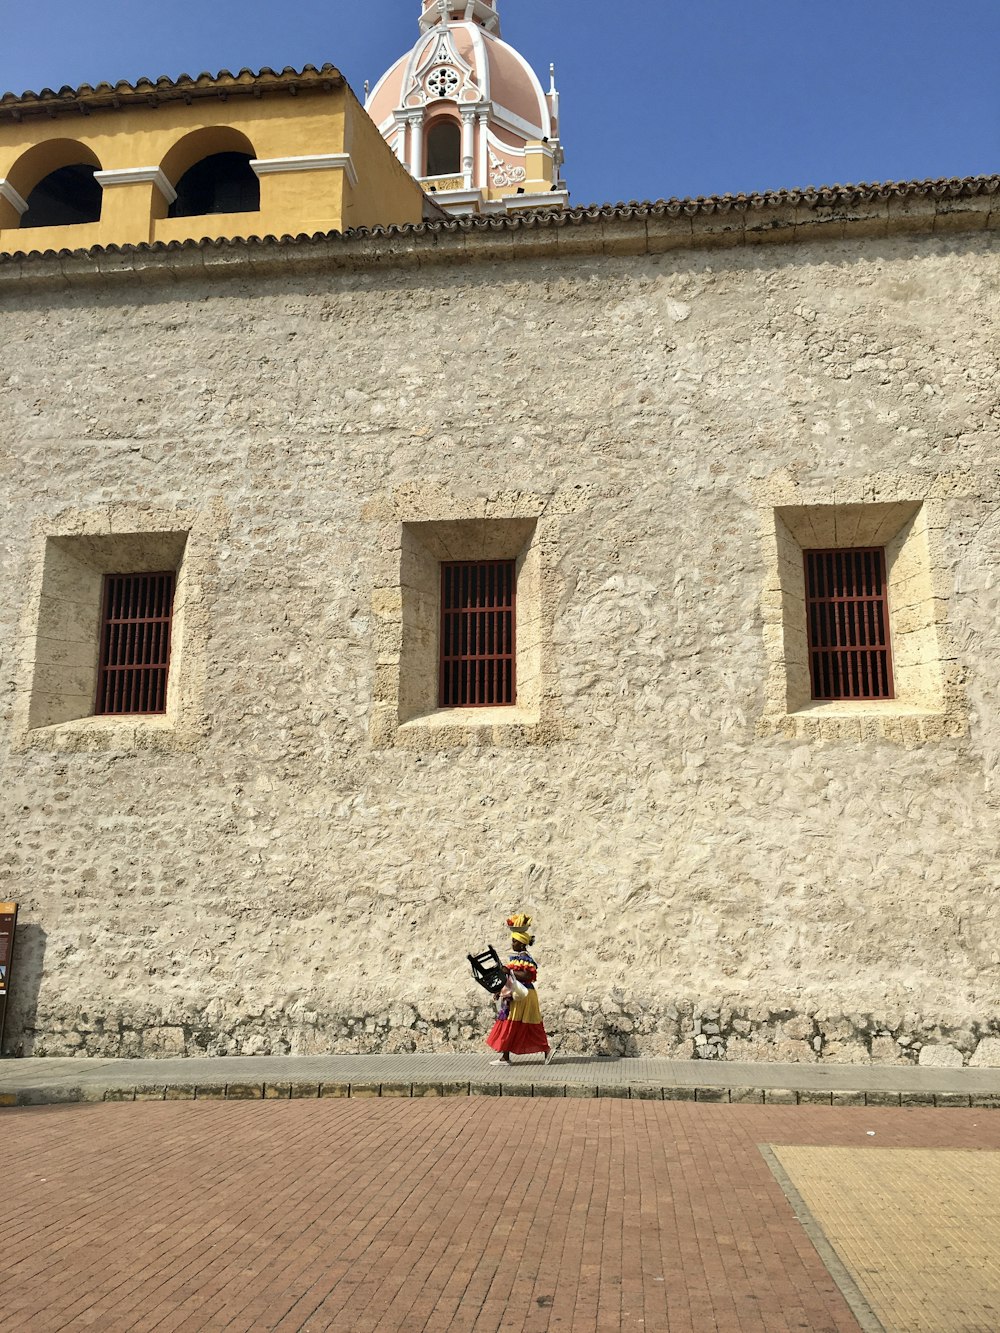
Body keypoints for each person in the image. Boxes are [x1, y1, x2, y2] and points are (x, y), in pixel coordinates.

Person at [486, 913, 551, 1064]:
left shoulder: (525, 958)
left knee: (514, 1023)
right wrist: (498, 991)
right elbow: (509, 978)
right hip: (517, 995)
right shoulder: (516, 958)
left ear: (522, 944)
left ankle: (545, 1050)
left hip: (524, 996)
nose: (512, 944)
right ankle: (506, 1057)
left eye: (515, 941)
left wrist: (510, 971)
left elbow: (528, 975)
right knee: (511, 1023)